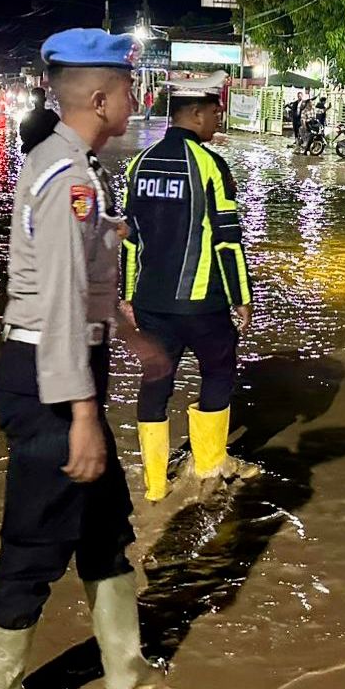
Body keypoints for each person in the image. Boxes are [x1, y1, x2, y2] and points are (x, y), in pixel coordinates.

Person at [0, 28, 164, 689]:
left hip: (66, 374)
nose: (137, 99)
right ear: (102, 96)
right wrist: (82, 413)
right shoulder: (69, 179)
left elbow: (77, 282)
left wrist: (124, 324)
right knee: (34, 545)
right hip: (49, 383)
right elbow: (53, 302)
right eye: (129, 86)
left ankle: (125, 669)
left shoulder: (71, 164)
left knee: (106, 525)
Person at [120, 71, 259, 502]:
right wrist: (242, 298)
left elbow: (128, 238)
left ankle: (156, 484)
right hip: (202, 305)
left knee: (155, 383)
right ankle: (209, 464)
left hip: (150, 304)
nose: (218, 121)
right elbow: (227, 241)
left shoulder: (137, 164)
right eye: (215, 113)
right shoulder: (210, 166)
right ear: (195, 114)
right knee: (218, 372)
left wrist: (127, 295)